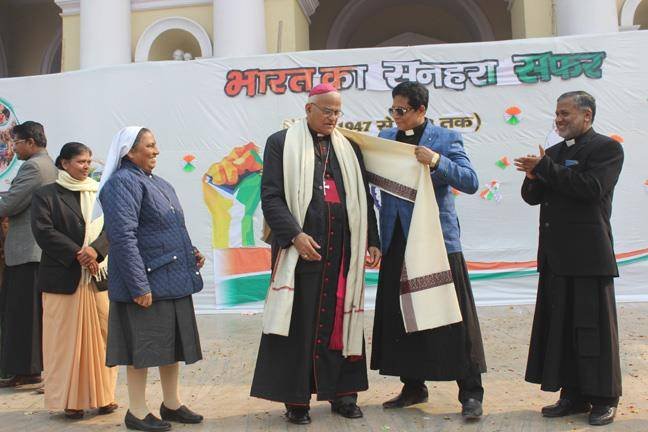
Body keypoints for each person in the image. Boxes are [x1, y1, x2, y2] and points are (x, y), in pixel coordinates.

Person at [250, 83, 381, 425]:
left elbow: (363, 198)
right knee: (299, 323)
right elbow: (271, 197)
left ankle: (344, 394)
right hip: (302, 251)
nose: (333, 118)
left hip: (343, 252)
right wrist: (295, 236)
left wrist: (372, 239)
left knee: (340, 318)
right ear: (309, 109)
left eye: (337, 112)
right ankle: (296, 400)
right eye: (327, 111)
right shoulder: (281, 143)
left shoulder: (349, 147)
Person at [371, 81, 486, 419]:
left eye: (401, 111)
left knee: (453, 315)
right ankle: (413, 386)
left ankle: (471, 393)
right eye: (392, 110)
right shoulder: (386, 138)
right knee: (403, 316)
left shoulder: (446, 139)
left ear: (421, 110)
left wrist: (436, 161)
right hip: (397, 239)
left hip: (436, 240)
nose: (395, 116)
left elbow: (470, 180)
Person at [514, 91, 624, 426]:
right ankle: (572, 395)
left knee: (593, 330)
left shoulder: (606, 149)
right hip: (556, 258)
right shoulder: (555, 153)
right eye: (557, 114)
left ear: (586, 116)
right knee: (561, 328)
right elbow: (533, 198)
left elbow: (591, 188)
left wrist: (545, 168)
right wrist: (533, 176)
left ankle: (604, 398)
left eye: (566, 114)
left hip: (589, 257)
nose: (559, 120)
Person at [98, 127, 205, 432]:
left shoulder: (159, 183)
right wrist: (138, 285)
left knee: (171, 345)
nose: (156, 150)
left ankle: (171, 404)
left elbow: (171, 228)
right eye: (149, 145)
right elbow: (122, 237)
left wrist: (191, 253)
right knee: (142, 349)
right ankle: (136, 411)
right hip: (147, 281)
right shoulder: (122, 183)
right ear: (129, 152)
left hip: (171, 278)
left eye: (155, 145)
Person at [31, 142, 117, 419]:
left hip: (98, 277)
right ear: (64, 163)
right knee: (64, 342)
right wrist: (79, 254)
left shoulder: (100, 193)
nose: (86, 166)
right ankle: (71, 401)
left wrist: (96, 251)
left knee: (103, 337)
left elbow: (112, 227)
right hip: (63, 279)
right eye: (80, 161)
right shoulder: (46, 195)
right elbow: (43, 232)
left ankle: (105, 397)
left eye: (89, 161)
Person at [0, 121, 58, 388]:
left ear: (30, 143)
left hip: (28, 252)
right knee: (30, 315)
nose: (13, 149)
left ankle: (26, 369)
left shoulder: (33, 167)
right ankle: (29, 369)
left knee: (24, 315)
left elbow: (10, 204)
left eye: (16, 143)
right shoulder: (49, 165)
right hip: (35, 252)